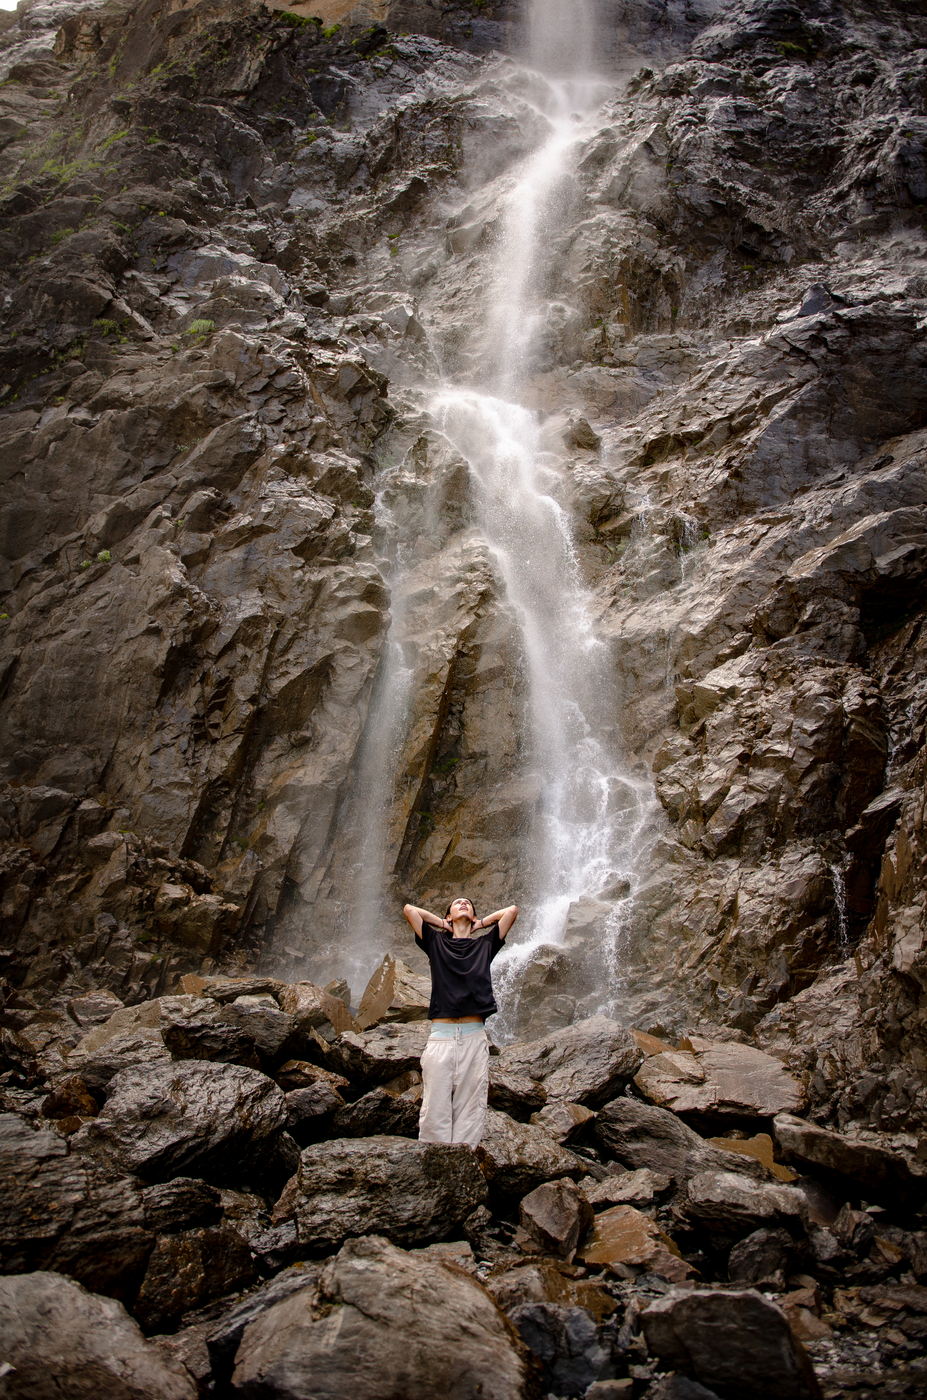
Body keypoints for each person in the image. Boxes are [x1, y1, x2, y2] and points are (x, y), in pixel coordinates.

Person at [402, 895, 518, 1146]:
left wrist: (481, 923)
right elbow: (411, 911)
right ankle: (435, 1172)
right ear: (447, 916)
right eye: (456, 903)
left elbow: (511, 911)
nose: (463, 903)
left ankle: (462, 1171)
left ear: (475, 916)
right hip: (441, 1038)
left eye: (468, 903)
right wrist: (444, 925)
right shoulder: (435, 942)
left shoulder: (485, 945)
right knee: (434, 1112)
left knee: (470, 1114)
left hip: (474, 1038)